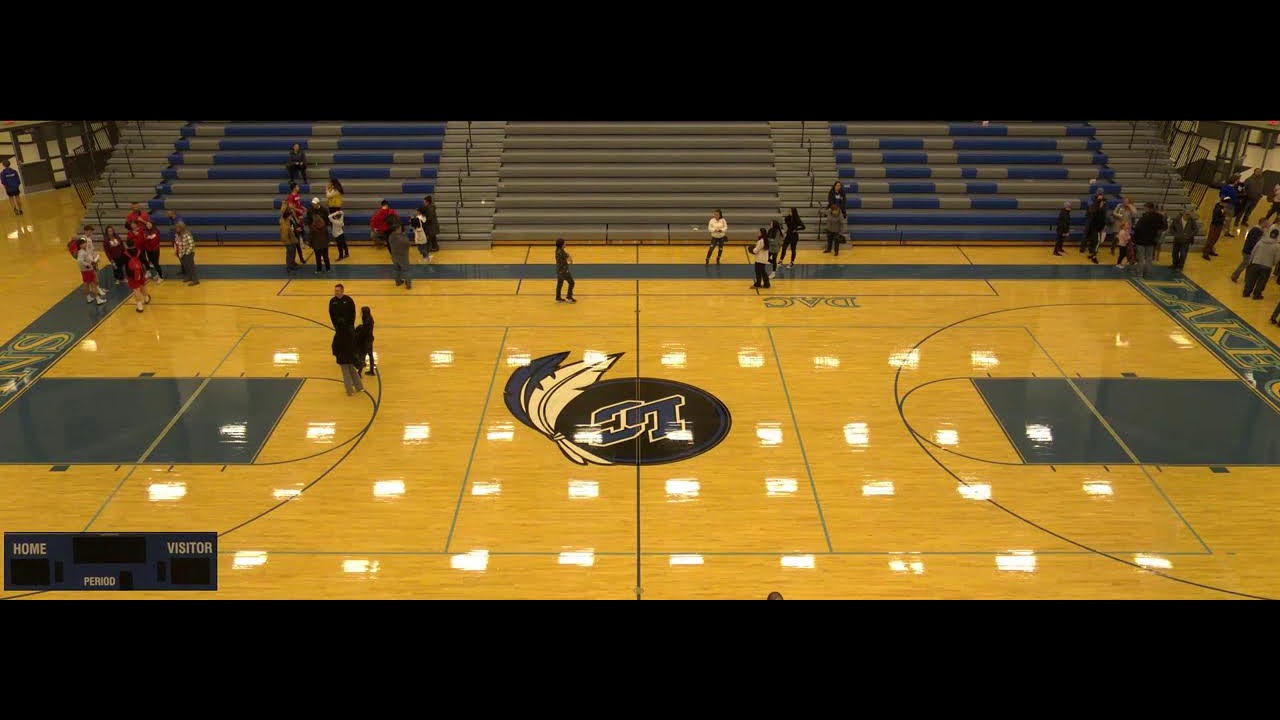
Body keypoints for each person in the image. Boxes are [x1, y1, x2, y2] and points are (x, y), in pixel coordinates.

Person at [332, 323, 364, 397]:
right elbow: (354, 345)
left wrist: (336, 355)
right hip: (350, 356)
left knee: (346, 374)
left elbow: (334, 347)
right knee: (353, 371)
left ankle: (349, 391)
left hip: (342, 358)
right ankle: (359, 387)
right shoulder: (349, 335)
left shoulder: (337, 336)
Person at [354, 306, 376, 375]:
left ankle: (359, 372)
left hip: (367, 340)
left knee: (362, 355)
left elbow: (365, 331)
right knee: (370, 354)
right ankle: (372, 370)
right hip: (370, 338)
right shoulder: (369, 318)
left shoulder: (367, 320)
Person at [555, 238, 576, 303]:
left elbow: (565, 254)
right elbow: (569, 259)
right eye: (564, 243)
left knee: (560, 284)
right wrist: (570, 259)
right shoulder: (561, 252)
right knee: (571, 283)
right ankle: (569, 297)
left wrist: (567, 255)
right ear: (562, 245)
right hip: (564, 271)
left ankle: (558, 298)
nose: (565, 244)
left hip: (559, 270)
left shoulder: (558, 250)